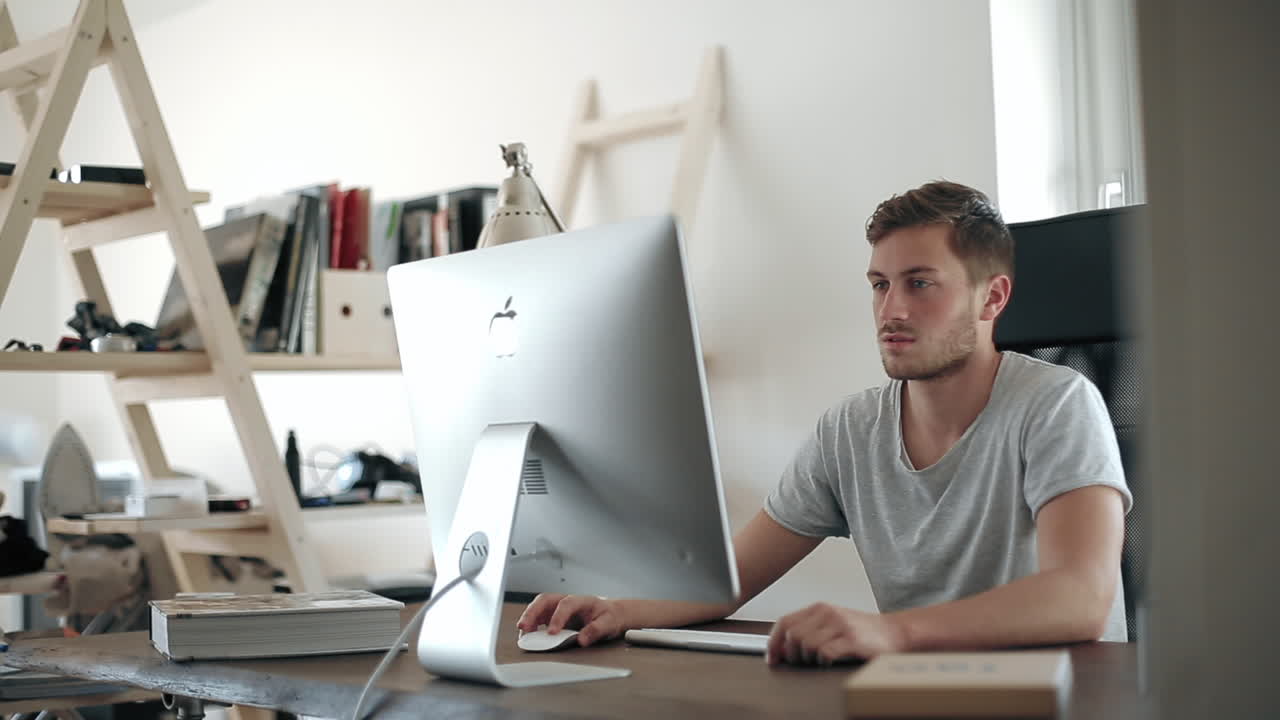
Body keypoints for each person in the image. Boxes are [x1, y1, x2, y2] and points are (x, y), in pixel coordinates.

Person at [518, 180, 1132, 666]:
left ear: (991, 298)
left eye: (920, 284)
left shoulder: (1057, 405)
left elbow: (1079, 596)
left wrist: (890, 632)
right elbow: (728, 580)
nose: (891, 309)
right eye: (879, 284)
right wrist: (616, 609)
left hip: (1063, 696)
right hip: (920, 690)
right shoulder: (849, 431)